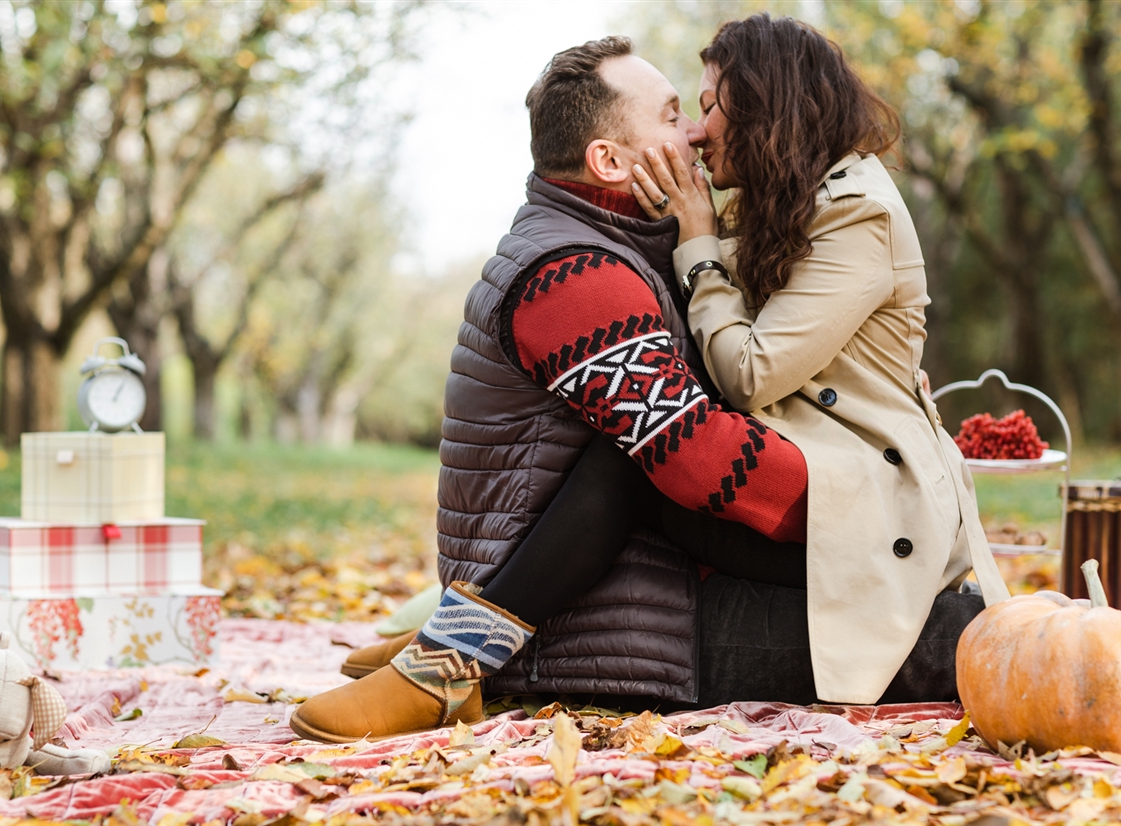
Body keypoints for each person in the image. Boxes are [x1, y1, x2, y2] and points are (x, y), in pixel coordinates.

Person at [290, 32, 998, 744]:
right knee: (653, 447)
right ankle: (453, 655)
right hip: (738, 554)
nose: (693, 132)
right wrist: (832, 502)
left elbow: (735, 386)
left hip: (850, 516)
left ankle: (453, 650)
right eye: (673, 114)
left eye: (702, 109)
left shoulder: (626, 243)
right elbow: (700, 451)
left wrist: (848, 507)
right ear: (608, 161)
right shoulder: (578, 275)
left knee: (646, 452)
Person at [629, 13, 1009, 704]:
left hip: (871, 492)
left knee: (632, 459)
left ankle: (480, 641)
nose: (695, 132)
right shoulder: (785, 202)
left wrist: (696, 240)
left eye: (709, 107)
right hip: (810, 466)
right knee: (632, 451)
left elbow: (750, 373)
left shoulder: (858, 212)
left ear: (763, 109)